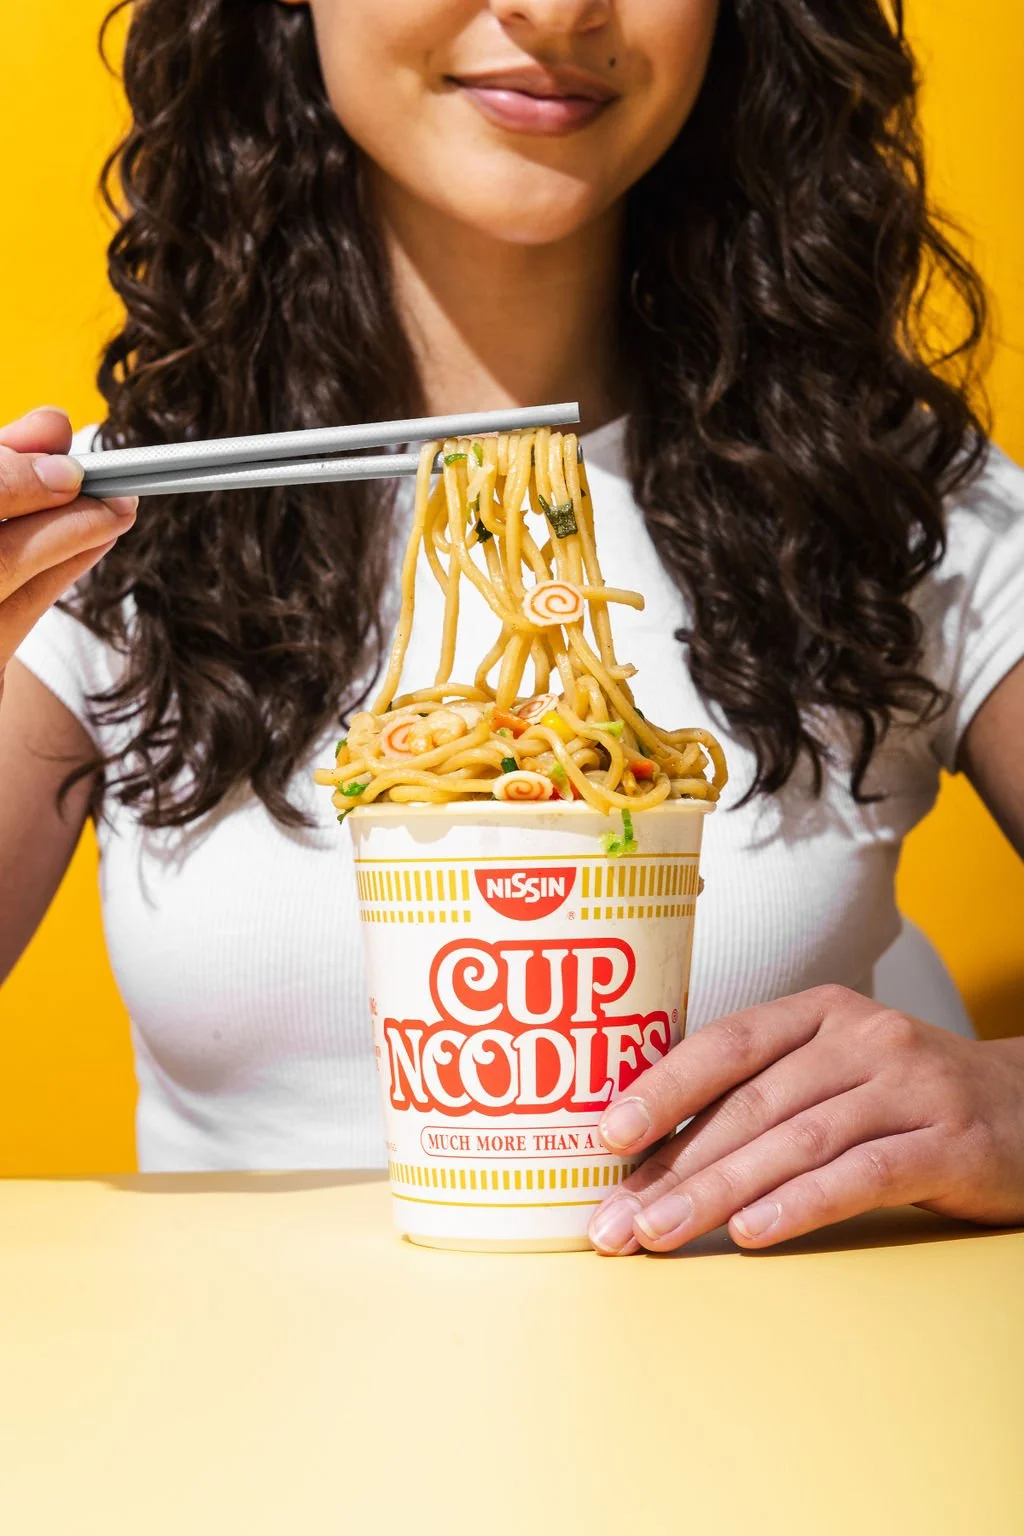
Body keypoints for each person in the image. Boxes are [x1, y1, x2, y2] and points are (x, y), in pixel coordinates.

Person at [1, 0, 1022, 1253]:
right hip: (239, 1405)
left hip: (748, 1398)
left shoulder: (889, 494)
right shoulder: (116, 525)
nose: (553, 9)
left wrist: (1012, 1104)